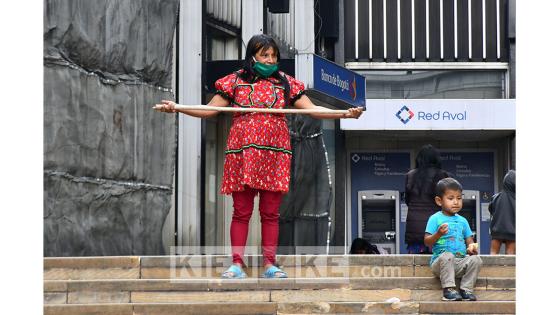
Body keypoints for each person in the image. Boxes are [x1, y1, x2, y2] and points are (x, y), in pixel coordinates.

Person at [156, 34, 363, 278]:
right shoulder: (234, 81)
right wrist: (177, 107)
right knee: (241, 211)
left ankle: (269, 264)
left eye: (273, 55)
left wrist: (344, 115)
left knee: (270, 213)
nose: (270, 59)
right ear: (252, 56)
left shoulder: (286, 83)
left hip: (275, 156)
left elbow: (314, 111)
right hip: (242, 154)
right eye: (265, 55)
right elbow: (209, 110)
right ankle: (236, 263)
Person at [424, 177, 483, 301]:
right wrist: (438, 234)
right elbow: (427, 241)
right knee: (447, 255)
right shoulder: (435, 218)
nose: (456, 202)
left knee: (476, 260)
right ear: (439, 201)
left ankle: (466, 289)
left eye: (459, 198)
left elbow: (469, 241)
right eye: (451, 198)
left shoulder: (463, 221)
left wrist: (471, 248)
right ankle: (449, 289)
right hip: (440, 264)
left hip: (460, 262)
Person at [404, 144, 451, 254]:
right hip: (437, 226)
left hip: (414, 228)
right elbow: (448, 204)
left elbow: (407, 200)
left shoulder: (410, 176)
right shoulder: (444, 176)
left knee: (415, 265)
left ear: (419, 159)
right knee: (439, 262)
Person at [488, 170, 516, 255]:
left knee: (493, 252)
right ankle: (508, 268)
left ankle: (491, 268)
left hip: (497, 229)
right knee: (510, 253)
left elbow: (491, 209)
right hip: (512, 230)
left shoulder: (496, 197)